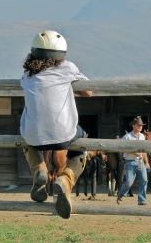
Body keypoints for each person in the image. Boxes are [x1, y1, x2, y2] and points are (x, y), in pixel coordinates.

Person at [19, 30, 92, 219]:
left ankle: (40, 170)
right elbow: (89, 93)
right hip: (64, 135)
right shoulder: (67, 68)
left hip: (34, 137)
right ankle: (65, 179)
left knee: (27, 139)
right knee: (82, 142)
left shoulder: (27, 74)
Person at [117, 116, 151, 205]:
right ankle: (121, 193)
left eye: (141, 125)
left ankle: (142, 200)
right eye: (138, 125)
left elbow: (144, 151)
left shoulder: (143, 136)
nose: (140, 127)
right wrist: (134, 153)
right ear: (133, 125)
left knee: (144, 180)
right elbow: (123, 149)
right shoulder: (127, 137)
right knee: (129, 181)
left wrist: (146, 162)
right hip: (130, 161)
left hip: (140, 161)